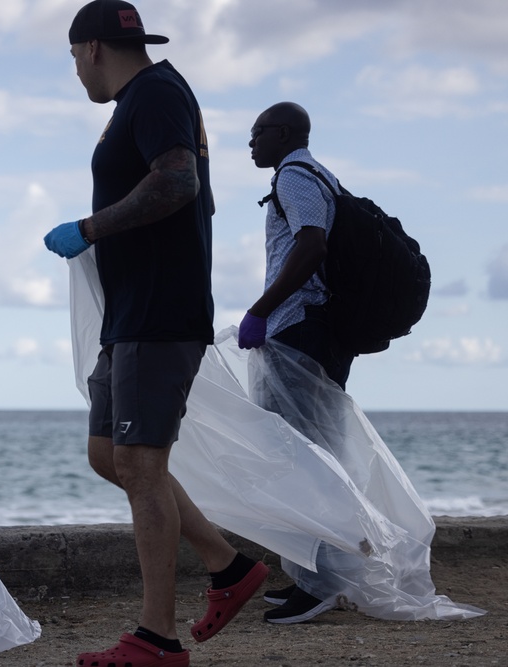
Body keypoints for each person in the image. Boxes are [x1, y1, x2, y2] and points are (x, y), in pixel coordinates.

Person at [43, 2, 269, 664]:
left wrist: (88, 228)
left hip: (158, 313)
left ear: (88, 50)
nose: (76, 73)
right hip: (131, 311)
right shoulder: (147, 98)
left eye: (72, 60)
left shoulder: (157, 93)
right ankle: (226, 566)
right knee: (109, 454)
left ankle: (156, 639)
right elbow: (198, 197)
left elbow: (179, 183)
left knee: (142, 464)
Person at [239, 101, 359, 622]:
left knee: (302, 460)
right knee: (311, 456)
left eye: (257, 132)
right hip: (314, 329)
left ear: (283, 133)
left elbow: (312, 244)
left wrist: (261, 309)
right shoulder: (315, 174)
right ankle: (312, 578)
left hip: (300, 328)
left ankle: (323, 585)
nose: (250, 142)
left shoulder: (295, 175)